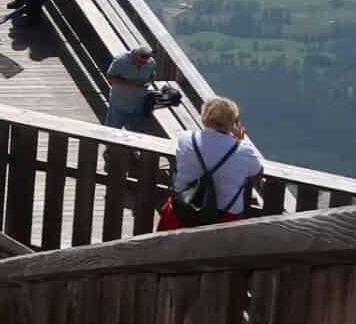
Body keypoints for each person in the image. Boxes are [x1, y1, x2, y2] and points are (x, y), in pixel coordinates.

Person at [158, 96, 263, 229]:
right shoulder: (243, 150)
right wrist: (240, 142)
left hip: (182, 210)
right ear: (232, 122)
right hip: (223, 220)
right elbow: (257, 172)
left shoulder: (185, 139)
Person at [105, 44, 179, 132]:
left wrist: (149, 81)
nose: (145, 62)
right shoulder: (121, 61)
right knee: (112, 129)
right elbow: (110, 77)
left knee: (135, 132)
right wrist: (128, 83)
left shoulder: (150, 63)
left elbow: (152, 74)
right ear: (136, 54)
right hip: (120, 102)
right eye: (142, 59)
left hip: (138, 103)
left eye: (147, 59)